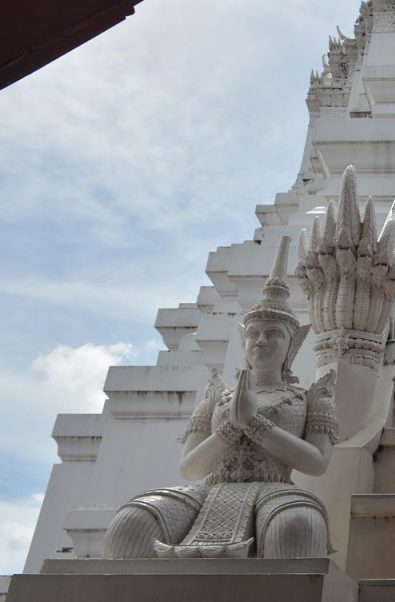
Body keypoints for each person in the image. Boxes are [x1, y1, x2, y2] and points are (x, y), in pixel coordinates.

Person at [103, 236, 338, 559]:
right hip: (208, 488)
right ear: (243, 339)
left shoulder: (311, 397)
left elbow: (316, 462)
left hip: (275, 489)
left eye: (273, 334)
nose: (261, 341)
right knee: (131, 525)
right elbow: (191, 468)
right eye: (253, 333)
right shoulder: (217, 395)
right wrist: (230, 429)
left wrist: (255, 424)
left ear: (292, 345)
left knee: (297, 529)